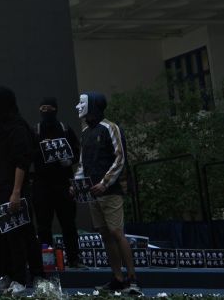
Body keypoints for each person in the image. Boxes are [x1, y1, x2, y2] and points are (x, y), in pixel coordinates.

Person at [76, 92, 138, 294]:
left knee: (116, 232)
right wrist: (76, 183)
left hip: (111, 191)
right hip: (94, 193)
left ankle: (132, 279)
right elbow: (82, 163)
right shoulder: (85, 132)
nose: (78, 107)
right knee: (105, 235)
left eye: (82, 103)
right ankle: (117, 278)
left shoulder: (111, 128)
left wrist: (105, 182)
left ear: (92, 106)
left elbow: (120, 158)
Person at [0, 85, 41, 293]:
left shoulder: (17, 127)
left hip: (12, 190)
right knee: (0, 237)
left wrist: (16, 192)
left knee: (16, 236)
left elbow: (22, 161)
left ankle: (21, 279)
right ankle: (6, 275)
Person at [33, 97, 83, 269]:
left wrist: (69, 160)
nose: (45, 111)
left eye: (48, 108)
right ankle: (46, 262)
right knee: (43, 225)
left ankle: (74, 259)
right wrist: (42, 150)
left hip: (63, 183)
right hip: (42, 184)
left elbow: (77, 151)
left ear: (55, 109)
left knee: (68, 223)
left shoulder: (65, 129)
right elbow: (28, 154)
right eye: (42, 108)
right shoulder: (36, 131)